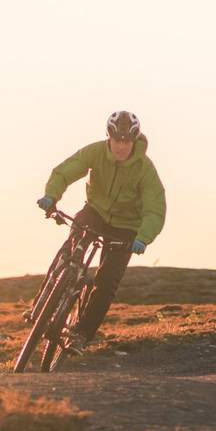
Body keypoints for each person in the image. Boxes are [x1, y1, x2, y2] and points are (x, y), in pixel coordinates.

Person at [35, 110, 166, 351]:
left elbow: (155, 207)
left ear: (134, 140)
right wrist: (51, 195)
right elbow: (66, 171)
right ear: (109, 137)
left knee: (107, 282)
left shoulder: (145, 169)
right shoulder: (95, 152)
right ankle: (44, 300)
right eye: (117, 140)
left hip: (127, 226)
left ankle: (81, 334)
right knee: (73, 242)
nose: (121, 146)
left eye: (127, 141)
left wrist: (143, 237)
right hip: (96, 212)